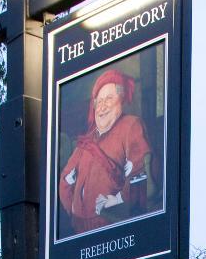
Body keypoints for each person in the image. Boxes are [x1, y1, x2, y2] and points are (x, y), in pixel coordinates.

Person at [58, 68, 153, 235]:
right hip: (79, 230)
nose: (102, 107)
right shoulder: (85, 142)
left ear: (121, 99)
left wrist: (117, 200)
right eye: (98, 101)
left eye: (108, 99)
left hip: (113, 227)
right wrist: (74, 209)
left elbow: (140, 172)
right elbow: (65, 179)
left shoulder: (131, 126)